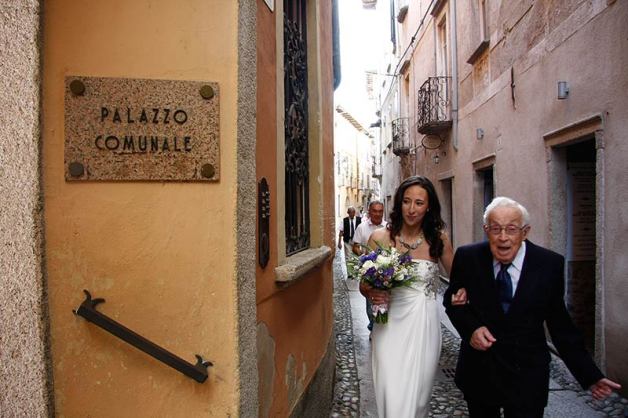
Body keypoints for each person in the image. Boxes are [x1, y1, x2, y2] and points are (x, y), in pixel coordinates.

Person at [443, 196, 621, 418]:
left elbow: (559, 323)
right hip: (481, 371)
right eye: (496, 229)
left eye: (511, 229)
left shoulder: (549, 264)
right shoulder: (468, 257)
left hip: (526, 374)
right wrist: (471, 329)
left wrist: (589, 374)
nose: (503, 238)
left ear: (525, 232)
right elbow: (453, 302)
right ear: (486, 230)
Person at [360, 176, 465, 417]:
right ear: (399, 203)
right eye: (406, 201)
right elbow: (364, 285)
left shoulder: (438, 239)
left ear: (428, 206)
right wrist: (374, 291)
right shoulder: (379, 237)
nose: (411, 208)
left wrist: (463, 293)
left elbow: (461, 278)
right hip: (388, 326)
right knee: (391, 392)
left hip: (424, 328)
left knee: (417, 398)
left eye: (419, 202)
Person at [352, 200, 387, 332]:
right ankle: (373, 327)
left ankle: (382, 327)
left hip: (386, 270)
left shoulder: (389, 227)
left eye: (380, 211)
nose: (378, 214)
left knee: (384, 299)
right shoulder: (362, 227)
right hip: (370, 271)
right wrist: (364, 256)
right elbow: (355, 246)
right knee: (370, 300)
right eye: (375, 211)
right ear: (369, 212)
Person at [338, 207, 361, 278]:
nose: (352, 214)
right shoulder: (344, 220)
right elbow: (341, 232)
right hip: (347, 241)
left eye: (353, 212)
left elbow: (361, 231)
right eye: (350, 212)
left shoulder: (359, 220)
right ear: (348, 213)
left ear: (354, 213)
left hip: (356, 241)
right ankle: (350, 273)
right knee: (348, 257)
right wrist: (339, 242)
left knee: (356, 256)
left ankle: (355, 271)